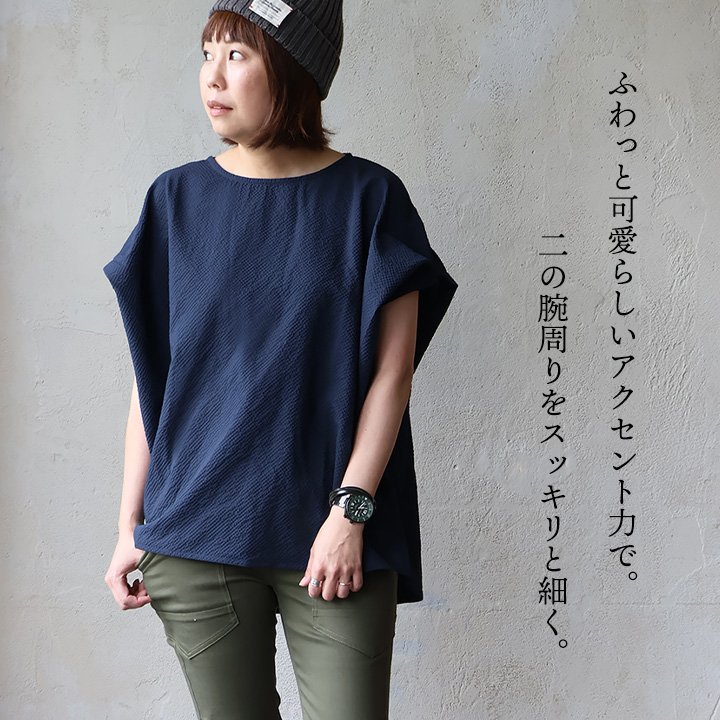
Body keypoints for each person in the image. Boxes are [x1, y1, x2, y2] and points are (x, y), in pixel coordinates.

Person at [102, 1, 458, 718]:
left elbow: (392, 377)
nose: (213, 76)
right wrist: (127, 526)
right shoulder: (176, 200)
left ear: (293, 69)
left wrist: (350, 513)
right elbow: (155, 380)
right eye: (208, 54)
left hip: (338, 538)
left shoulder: (370, 200)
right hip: (197, 536)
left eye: (237, 55)